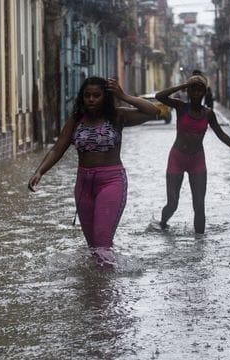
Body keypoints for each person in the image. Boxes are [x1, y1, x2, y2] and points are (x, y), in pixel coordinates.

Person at [27, 76, 159, 266]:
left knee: (102, 244)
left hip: (111, 182)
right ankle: (93, 289)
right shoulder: (76, 120)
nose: (91, 99)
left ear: (105, 97)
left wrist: (124, 96)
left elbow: (153, 111)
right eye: (87, 95)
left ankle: (105, 289)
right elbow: (58, 148)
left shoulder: (118, 116)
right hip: (83, 185)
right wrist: (40, 171)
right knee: (93, 247)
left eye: (96, 95)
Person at [155, 74, 230, 234]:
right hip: (177, 158)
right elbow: (159, 96)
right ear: (188, 92)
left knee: (199, 205)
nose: (196, 93)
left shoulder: (208, 114)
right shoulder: (181, 107)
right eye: (193, 90)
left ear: (204, 93)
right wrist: (183, 85)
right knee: (173, 204)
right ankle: (162, 224)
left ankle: (200, 244)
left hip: (197, 160)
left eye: (200, 90)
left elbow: (222, 135)